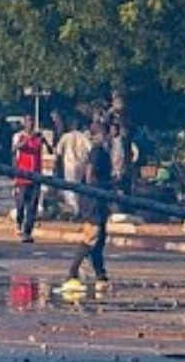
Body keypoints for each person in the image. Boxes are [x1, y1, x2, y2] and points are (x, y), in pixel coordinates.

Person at [62, 123, 112, 291]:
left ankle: (100, 274)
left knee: (100, 239)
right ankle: (72, 273)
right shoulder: (97, 152)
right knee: (91, 236)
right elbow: (90, 177)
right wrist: (110, 184)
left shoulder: (102, 151)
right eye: (107, 133)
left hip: (100, 199)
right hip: (94, 200)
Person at [13, 115, 52, 243]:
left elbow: (50, 150)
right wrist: (28, 138)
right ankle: (19, 222)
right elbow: (16, 148)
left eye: (32, 122)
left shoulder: (38, 137)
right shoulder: (20, 136)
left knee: (32, 205)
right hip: (22, 176)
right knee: (20, 205)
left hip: (35, 176)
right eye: (28, 121)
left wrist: (44, 140)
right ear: (24, 123)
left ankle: (27, 231)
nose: (30, 124)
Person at [55, 119, 91, 218]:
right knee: (77, 186)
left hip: (69, 165)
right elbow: (90, 149)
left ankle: (74, 210)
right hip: (80, 165)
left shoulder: (65, 136)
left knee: (69, 187)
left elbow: (58, 152)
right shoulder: (84, 137)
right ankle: (76, 209)